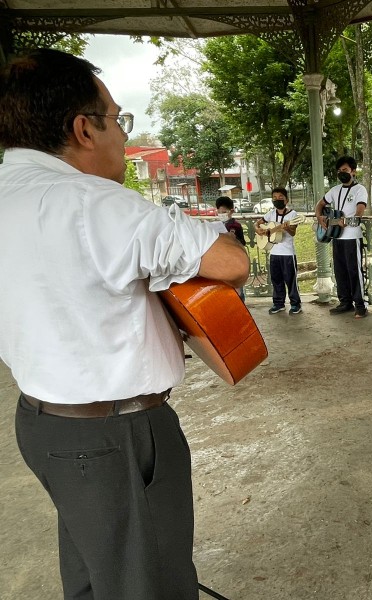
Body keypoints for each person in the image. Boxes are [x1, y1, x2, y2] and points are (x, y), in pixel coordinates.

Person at [0, 48, 249, 600]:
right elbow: (233, 262)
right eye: (118, 119)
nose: (124, 134)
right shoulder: (98, 205)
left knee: (96, 568)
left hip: (43, 424)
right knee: (149, 583)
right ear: (84, 129)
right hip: (115, 432)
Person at [315, 156, 368, 318]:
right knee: (340, 271)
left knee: (354, 271)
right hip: (336, 236)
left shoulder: (360, 189)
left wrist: (355, 217)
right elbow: (320, 204)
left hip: (352, 237)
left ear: (353, 171)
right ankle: (345, 302)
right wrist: (319, 217)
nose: (341, 173)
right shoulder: (335, 190)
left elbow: (360, 208)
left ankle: (360, 305)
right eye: (339, 171)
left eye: (344, 170)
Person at [258, 187, 302, 315]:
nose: (277, 200)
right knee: (276, 280)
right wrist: (258, 230)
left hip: (287, 253)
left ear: (286, 200)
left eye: (280, 198)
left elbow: (293, 232)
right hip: (274, 252)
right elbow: (258, 223)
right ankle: (278, 303)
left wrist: (287, 227)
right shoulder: (270, 214)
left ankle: (295, 304)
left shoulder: (293, 215)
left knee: (291, 280)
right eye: (275, 198)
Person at [216, 195, 246, 301]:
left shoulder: (235, 225)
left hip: (235, 260)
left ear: (231, 211)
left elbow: (242, 243)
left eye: (224, 212)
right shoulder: (217, 225)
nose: (221, 214)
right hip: (223, 260)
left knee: (238, 290)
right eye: (219, 212)